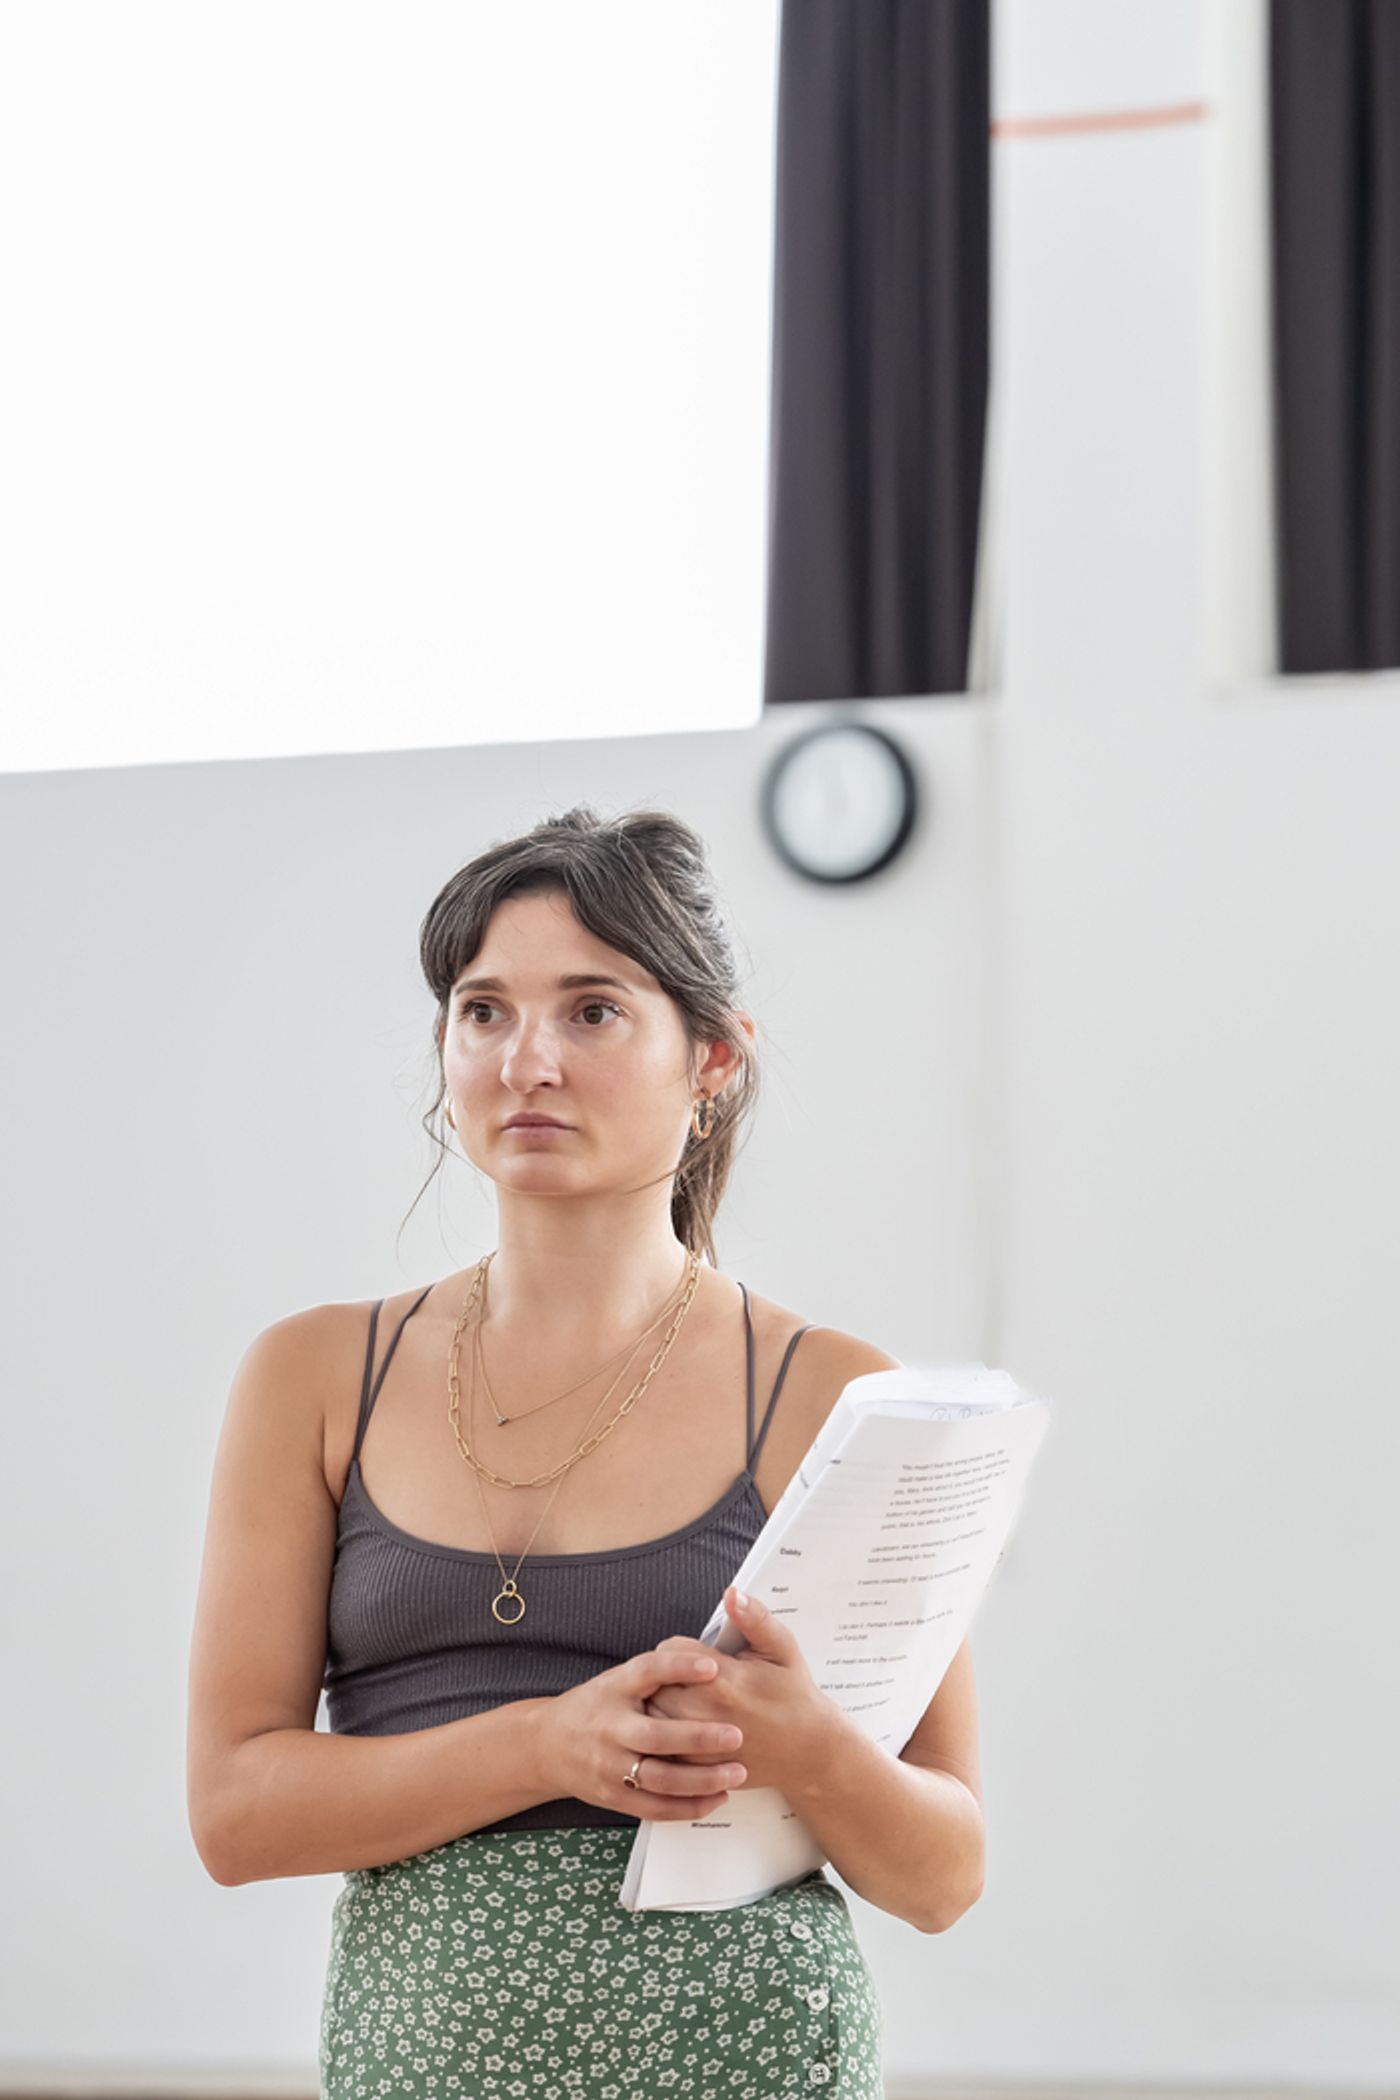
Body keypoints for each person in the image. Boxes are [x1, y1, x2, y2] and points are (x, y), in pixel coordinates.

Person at [187, 805, 984, 2098]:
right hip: (424, 2067)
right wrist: (544, 1746)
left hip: (752, 2061)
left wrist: (813, 1752)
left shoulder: (831, 1391)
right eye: (485, 1011)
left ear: (714, 1055)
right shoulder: (316, 1375)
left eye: (593, 1011)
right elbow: (235, 1814)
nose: (528, 1061)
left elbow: (943, 1877)